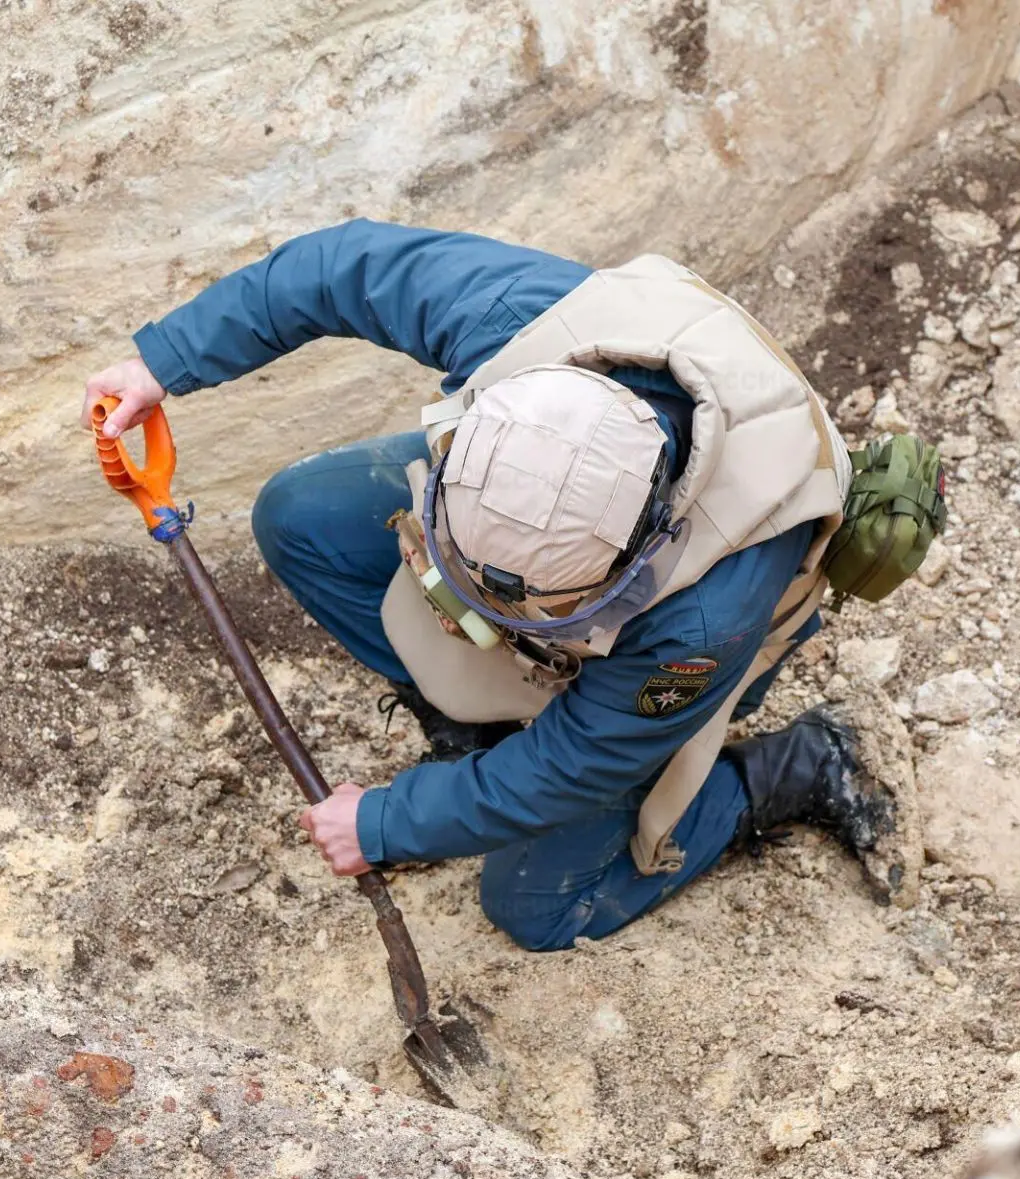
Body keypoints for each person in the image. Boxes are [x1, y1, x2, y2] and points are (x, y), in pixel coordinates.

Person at [80, 219, 911, 952]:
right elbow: (338, 267)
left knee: (537, 907)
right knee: (303, 516)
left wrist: (387, 822)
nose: (465, 614)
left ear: (636, 555)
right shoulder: (521, 320)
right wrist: (166, 359)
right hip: (540, 507)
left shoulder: (705, 614)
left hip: (691, 640)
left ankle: (798, 766)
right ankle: (477, 732)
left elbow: (574, 765)